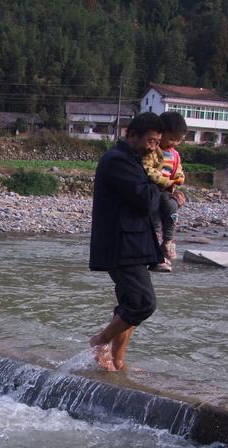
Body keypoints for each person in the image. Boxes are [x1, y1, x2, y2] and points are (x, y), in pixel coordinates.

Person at [88, 112, 166, 371]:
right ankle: (100, 342)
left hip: (132, 244)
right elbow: (145, 201)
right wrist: (162, 184)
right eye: (151, 141)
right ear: (132, 135)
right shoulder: (118, 161)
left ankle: (117, 361)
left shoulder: (133, 160)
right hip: (121, 246)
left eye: (157, 143)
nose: (153, 147)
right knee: (143, 302)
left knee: (128, 306)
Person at [143, 111, 188, 272]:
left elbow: (179, 171)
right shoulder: (154, 152)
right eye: (171, 139)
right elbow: (148, 169)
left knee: (171, 209)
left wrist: (179, 178)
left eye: (178, 140)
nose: (174, 143)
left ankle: (168, 242)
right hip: (154, 189)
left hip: (166, 191)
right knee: (154, 220)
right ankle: (154, 252)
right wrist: (164, 180)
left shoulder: (175, 155)